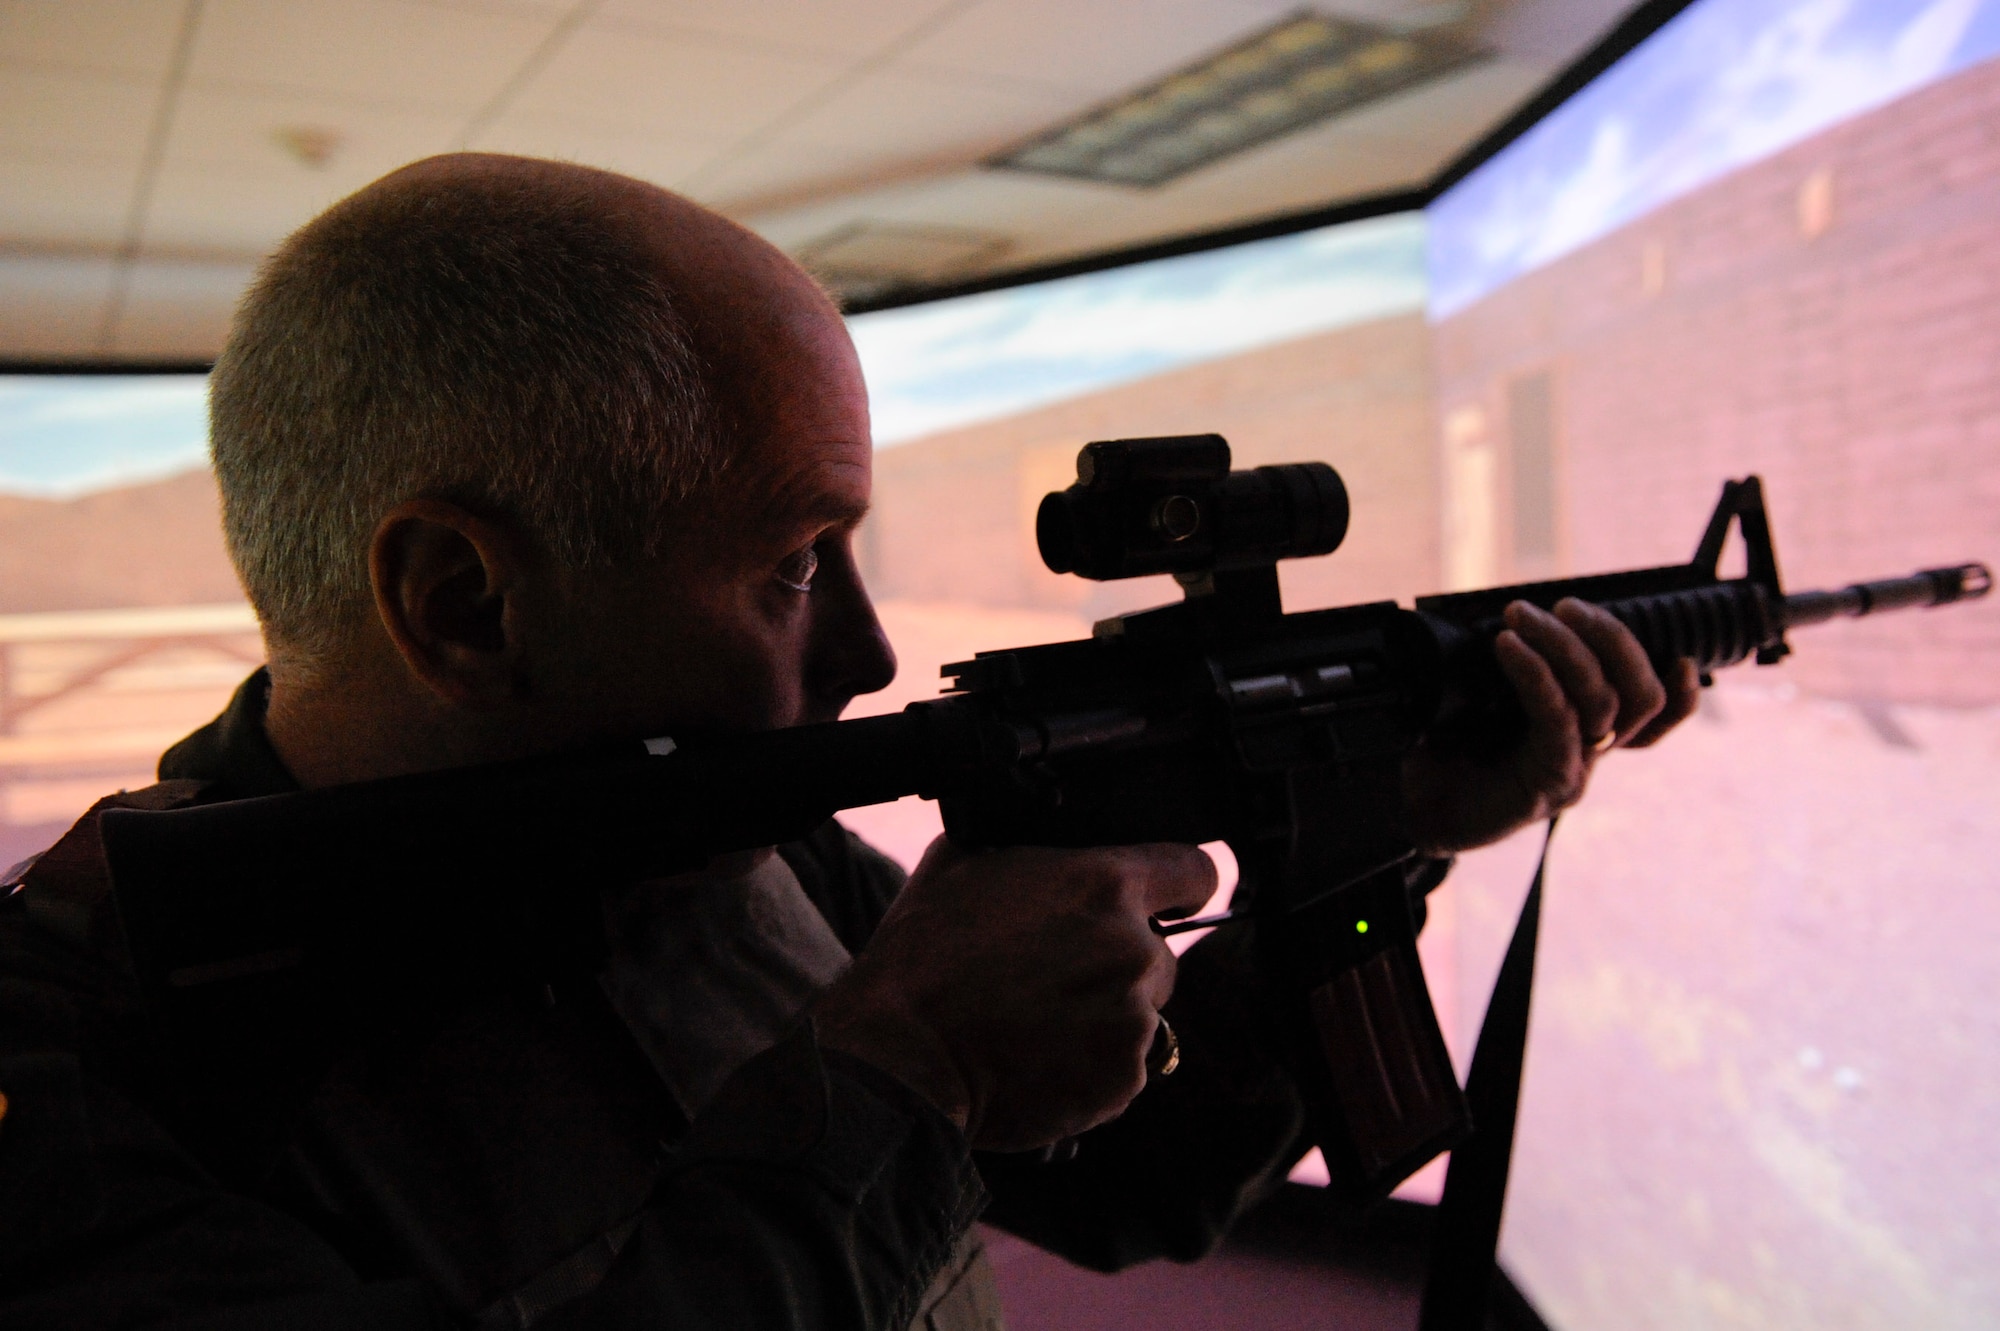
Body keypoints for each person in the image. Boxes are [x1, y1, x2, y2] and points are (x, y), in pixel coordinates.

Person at [0, 155, 1696, 1330]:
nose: (873, 657)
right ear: (461, 602)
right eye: (793, 564)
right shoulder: (75, 1064)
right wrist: (907, 1074)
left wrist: (1391, 830)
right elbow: (931, 1109)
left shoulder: (738, 840)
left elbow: (1115, 1183)